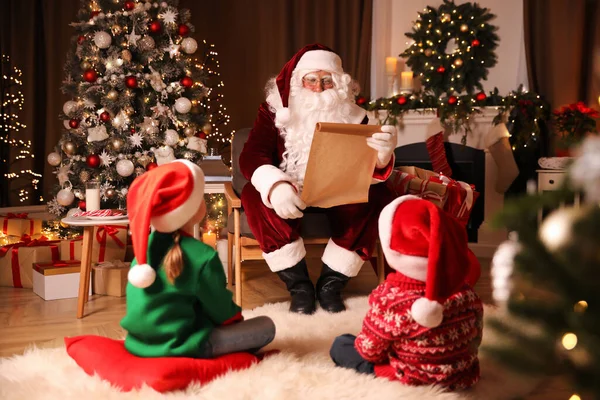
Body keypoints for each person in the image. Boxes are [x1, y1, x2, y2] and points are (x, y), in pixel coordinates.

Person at [239, 43, 397, 315]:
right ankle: (299, 286)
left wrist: (382, 158)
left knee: (378, 197)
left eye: (327, 80)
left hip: (337, 190)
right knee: (255, 196)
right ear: (298, 82)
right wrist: (275, 185)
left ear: (339, 83)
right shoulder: (273, 111)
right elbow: (252, 155)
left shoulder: (358, 117)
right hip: (291, 190)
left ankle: (330, 284)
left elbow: (366, 165)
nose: (320, 87)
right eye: (311, 80)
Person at [121, 160, 275, 358]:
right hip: (180, 345)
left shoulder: (145, 246)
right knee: (266, 327)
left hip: (137, 343)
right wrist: (235, 319)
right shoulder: (202, 255)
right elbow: (222, 311)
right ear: (191, 210)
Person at [330, 196, 483, 390]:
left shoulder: (392, 299)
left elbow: (370, 351)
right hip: (460, 373)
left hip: (410, 375)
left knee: (342, 344)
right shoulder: (465, 290)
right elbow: (476, 336)